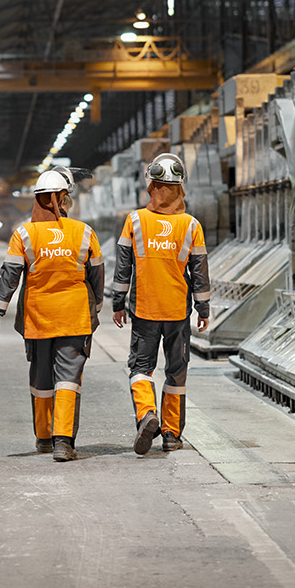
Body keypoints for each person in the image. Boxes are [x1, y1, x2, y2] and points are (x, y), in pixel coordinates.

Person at [0, 167, 104, 462]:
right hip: (75, 317)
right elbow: (96, 275)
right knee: (68, 378)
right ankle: (64, 441)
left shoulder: (24, 234)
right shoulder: (84, 232)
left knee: (41, 377)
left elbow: (10, 275)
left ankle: (43, 438)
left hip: (38, 318)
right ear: (62, 199)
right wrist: (97, 306)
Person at [112, 152, 211, 455]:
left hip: (144, 310)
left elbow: (123, 268)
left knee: (141, 368)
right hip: (177, 312)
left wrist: (117, 302)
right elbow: (199, 271)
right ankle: (171, 434)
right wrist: (203, 309)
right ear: (181, 188)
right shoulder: (191, 225)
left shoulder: (135, 221)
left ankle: (147, 414)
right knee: (176, 373)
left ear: (151, 186)